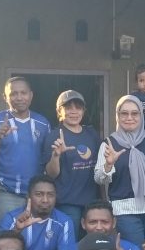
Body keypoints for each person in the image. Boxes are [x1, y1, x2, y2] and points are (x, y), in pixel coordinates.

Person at [94, 95, 145, 247]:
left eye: (134, 113)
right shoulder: (109, 143)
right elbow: (99, 179)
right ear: (117, 116)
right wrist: (108, 165)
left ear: (141, 115)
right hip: (124, 210)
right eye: (124, 113)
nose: (129, 117)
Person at [0, 76, 51, 222]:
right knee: (5, 239)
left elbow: (48, 159)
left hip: (37, 195)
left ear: (31, 95)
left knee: (35, 241)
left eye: (23, 93)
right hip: (7, 194)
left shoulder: (43, 123)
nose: (19, 97)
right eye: (13, 94)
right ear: (5, 97)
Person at [40, 90, 100, 236]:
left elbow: (101, 168)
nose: (73, 111)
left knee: (91, 248)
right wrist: (56, 155)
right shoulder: (54, 136)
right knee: (69, 245)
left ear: (83, 111)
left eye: (78, 107)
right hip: (67, 203)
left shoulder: (92, 134)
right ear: (59, 111)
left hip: (92, 203)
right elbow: (51, 174)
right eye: (68, 107)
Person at [0, 175, 76, 250]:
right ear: (28, 197)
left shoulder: (64, 222)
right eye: (39, 194)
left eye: (50, 195)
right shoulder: (12, 219)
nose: (45, 200)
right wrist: (16, 230)